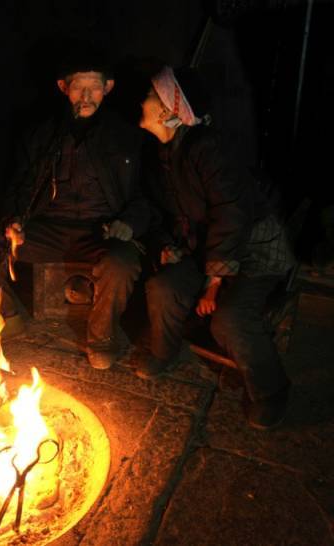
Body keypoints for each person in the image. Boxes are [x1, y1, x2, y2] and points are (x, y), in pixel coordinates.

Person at [0, 49, 149, 370]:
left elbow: (148, 195)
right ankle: (6, 314)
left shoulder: (128, 137)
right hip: (46, 231)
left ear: (109, 87)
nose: (87, 95)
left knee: (121, 262)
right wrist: (14, 220)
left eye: (94, 87)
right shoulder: (41, 133)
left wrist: (129, 224)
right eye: (79, 87)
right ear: (64, 87)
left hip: (99, 233)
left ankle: (101, 337)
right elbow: (18, 186)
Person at [135, 64, 295, 429]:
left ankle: (272, 391)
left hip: (254, 250)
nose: (141, 101)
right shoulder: (165, 153)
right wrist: (175, 245)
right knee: (163, 286)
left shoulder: (208, 148)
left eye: (149, 95)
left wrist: (214, 282)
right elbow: (179, 210)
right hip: (210, 248)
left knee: (229, 319)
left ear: (167, 110)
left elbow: (231, 213)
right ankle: (164, 352)